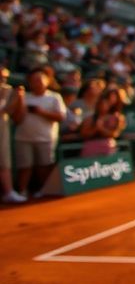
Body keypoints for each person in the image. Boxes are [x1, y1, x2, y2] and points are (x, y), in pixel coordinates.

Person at [10, 68, 66, 198]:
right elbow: (17, 119)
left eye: (40, 79)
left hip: (46, 138)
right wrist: (20, 101)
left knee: (44, 166)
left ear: (47, 81)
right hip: (23, 137)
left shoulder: (54, 97)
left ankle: (44, 190)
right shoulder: (24, 97)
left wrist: (41, 112)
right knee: (24, 167)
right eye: (34, 80)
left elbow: (61, 117)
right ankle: (22, 192)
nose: (37, 82)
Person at [1, 66, 26, 203]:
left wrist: (18, 98)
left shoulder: (7, 91)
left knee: (4, 162)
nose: (2, 79)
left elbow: (16, 116)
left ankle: (9, 191)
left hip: (3, 130)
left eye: (5, 77)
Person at [79, 89, 126, 157]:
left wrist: (101, 128)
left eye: (105, 104)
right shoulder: (89, 119)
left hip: (108, 147)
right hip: (91, 147)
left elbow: (115, 134)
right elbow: (84, 133)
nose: (102, 106)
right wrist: (95, 128)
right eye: (100, 104)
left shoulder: (116, 118)